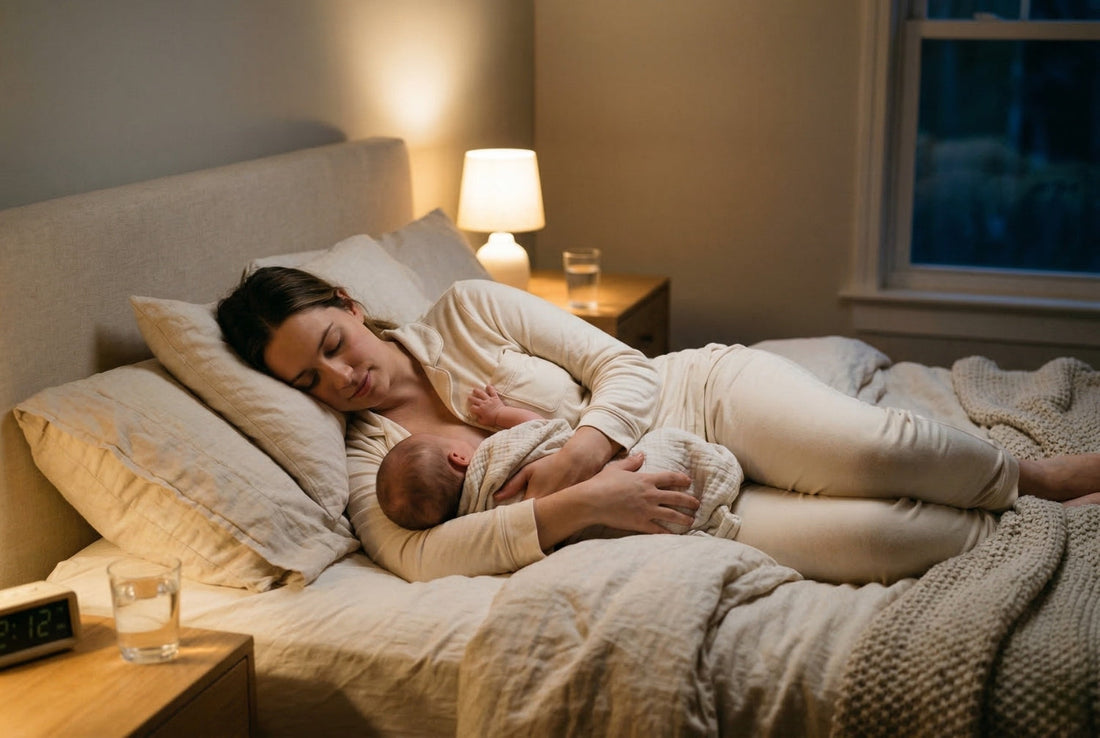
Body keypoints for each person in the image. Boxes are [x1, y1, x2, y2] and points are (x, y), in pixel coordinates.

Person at [216, 266, 1100, 584]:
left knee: (876, 448)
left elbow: (623, 366)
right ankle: (1026, 537)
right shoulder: (366, 455)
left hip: (694, 399)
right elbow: (419, 559)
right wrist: (584, 501)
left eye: (332, 344)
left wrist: (576, 455)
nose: (341, 378)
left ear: (349, 303)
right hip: (666, 502)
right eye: (310, 379)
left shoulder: (468, 309)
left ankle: (1037, 480)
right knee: (889, 540)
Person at [376, 386, 743, 543]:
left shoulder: (477, 517)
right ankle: (711, 475)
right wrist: (500, 413)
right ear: (458, 456)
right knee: (659, 450)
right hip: (626, 474)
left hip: (610, 527)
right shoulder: (494, 454)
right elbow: (541, 430)